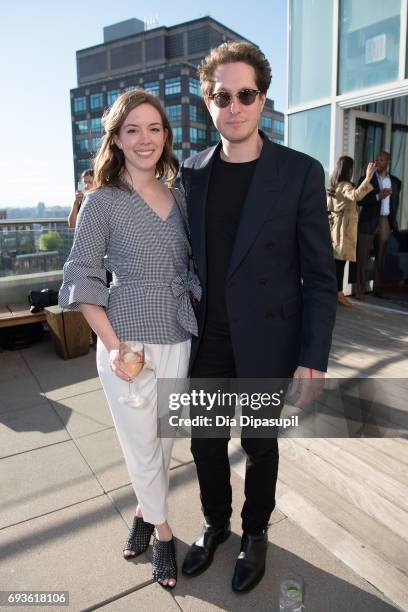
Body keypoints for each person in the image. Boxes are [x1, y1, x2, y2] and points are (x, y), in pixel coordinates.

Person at [180, 42, 337, 593]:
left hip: (272, 336)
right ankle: (216, 522)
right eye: (221, 96)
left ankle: (254, 532)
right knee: (204, 441)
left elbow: (320, 277)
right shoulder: (193, 174)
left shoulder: (299, 172)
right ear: (207, 102)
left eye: (245, 94)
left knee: (260, 443)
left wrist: (312, 359)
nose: (234, 106)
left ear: (263, 98)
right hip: (208, 338)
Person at [59, 90, 200, 588]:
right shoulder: (102, 202)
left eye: (154, 129)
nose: (145, 140)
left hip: (178, 332)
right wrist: (114, 344)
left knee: (161, 442)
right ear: (116, 138)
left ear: (166, 135)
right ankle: (163, 533)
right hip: (128, 342)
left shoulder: (182, 197)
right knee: (141, 443)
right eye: (133, 130)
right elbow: (81, 276)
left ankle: (143, 510)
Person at [327, 156, 376, 307]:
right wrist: (368, 178)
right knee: (340, 262)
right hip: (343, 230)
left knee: (337, 262)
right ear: (348, 170)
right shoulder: (344, 186)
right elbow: (356, 195)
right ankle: (338, 293)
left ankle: (336, 292)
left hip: (337, 228)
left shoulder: (335, 184)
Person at [356, 151, 401, 299]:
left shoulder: (395, 182)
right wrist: (378, 196)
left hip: (385, 221)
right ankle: (360, 291)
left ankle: (377, 289)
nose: (378, 162)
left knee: (381, 258)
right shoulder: (366, 179)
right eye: (376, 159)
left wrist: (392, 221)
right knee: (363, 257)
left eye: (381, 160)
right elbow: (359, 201)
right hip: (369, 221)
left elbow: (395, 203)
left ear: (388, 161)